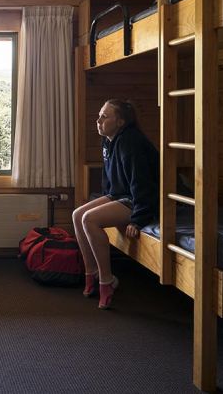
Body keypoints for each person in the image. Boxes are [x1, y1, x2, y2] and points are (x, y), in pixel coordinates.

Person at [72, 99, 159, 309]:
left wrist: (138, 220)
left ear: (120, 122)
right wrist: (104, 200)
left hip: (141, 200)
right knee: (77, 215)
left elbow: (143, 183)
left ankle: (106, 280)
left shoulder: (130, 142)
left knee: (89, 219)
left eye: (105, 116)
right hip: (121, 195)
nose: (98, 120)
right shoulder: (109, 140)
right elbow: (110, 180)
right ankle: (90, 272)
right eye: (100, 115)